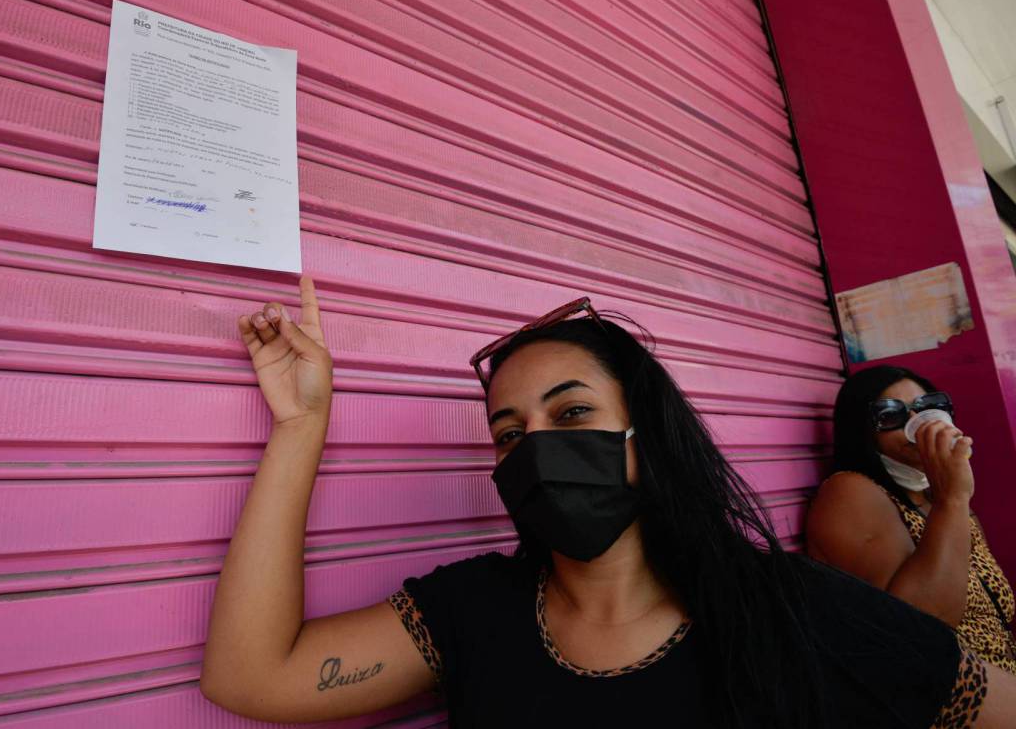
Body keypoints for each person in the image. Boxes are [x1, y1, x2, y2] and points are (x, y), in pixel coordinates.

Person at [201, 279, 1016, 727]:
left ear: (648, 433)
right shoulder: (471, 612)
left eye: (574, 414)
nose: (538, 448)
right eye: (509, 433)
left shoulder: (791, 610)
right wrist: (301, 429)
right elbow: (252, 678)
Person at [807, 365, 1016, 673]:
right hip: (948, 697)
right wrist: (953, 499)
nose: (918, 423)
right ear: (862, 431)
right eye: (890, 414)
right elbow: (922, 622)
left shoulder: (939, 498)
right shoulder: (850, 491)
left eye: (928, 408)